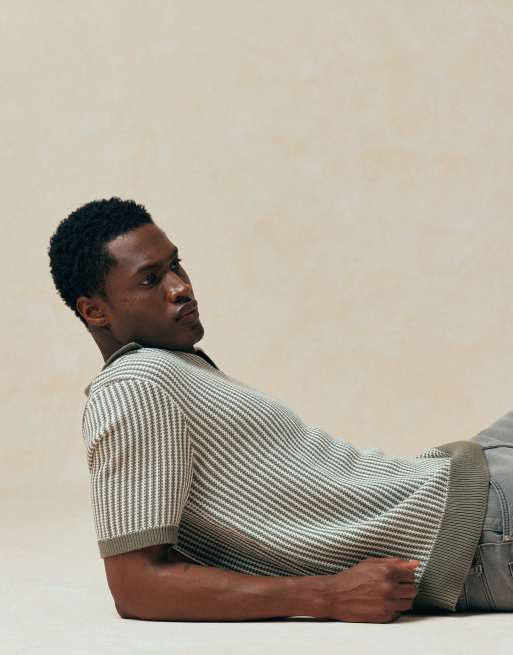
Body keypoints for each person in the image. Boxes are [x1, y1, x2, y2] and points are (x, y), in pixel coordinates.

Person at [47, 197, 513, 623]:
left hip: (462, 476)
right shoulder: (131, 388)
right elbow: (137, 585)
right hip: (475, 532)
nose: (181, 287)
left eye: (176, 265)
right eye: (151, 280)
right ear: (95, 311)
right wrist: (327, 596)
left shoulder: (168, 364)